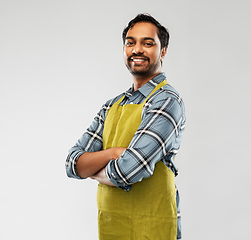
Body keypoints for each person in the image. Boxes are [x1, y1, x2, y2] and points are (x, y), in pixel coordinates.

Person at [65, 13, 186, 240]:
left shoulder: (167, 101)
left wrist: (93, 169)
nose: (137, 49)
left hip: (153, 225)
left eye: (147, 43)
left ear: (163, 51)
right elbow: (73, 164)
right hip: (113, 224)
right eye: (130, 43)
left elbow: (127, 171)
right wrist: (112, 153)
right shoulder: (111, 105)